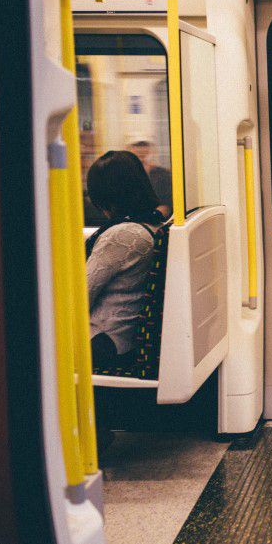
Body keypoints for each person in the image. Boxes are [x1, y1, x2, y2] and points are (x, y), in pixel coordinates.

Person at [86, 150, 166, 370]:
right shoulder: (152, 225)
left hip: (102, 340)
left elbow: (82, 295)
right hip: (124, 339)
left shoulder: (122, 236)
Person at [129, 137, 173, 218]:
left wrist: (152, 218)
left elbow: (166, 205)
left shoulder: (162, 174)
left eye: (144, 146)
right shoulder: (123, 175)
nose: (140, 150)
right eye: (137, 146)